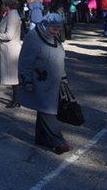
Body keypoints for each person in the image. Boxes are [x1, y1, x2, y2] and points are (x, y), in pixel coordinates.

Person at [17, 13, 71, 154]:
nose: (56, 31)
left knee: (45, 109)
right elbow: (25, 61)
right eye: (53, 28)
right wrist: (26, 80)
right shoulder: (33, 37)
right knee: (48, 111)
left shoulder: (54, 36)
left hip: (54, 83)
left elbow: (59, 57)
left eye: (58, 29)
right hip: (40, 82)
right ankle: (59, 142)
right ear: (45, 25)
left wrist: (63, 77)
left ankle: (41, 138)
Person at [0, 0, 23, 107]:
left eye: (3, 4)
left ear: (7, 5)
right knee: (13, 78)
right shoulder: (10, 15)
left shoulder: (12, 17)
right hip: (8, 49)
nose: (2, 5)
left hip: (11, 50)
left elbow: (9, 35)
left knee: (14, 78)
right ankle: (16, 99)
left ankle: (16, 100)